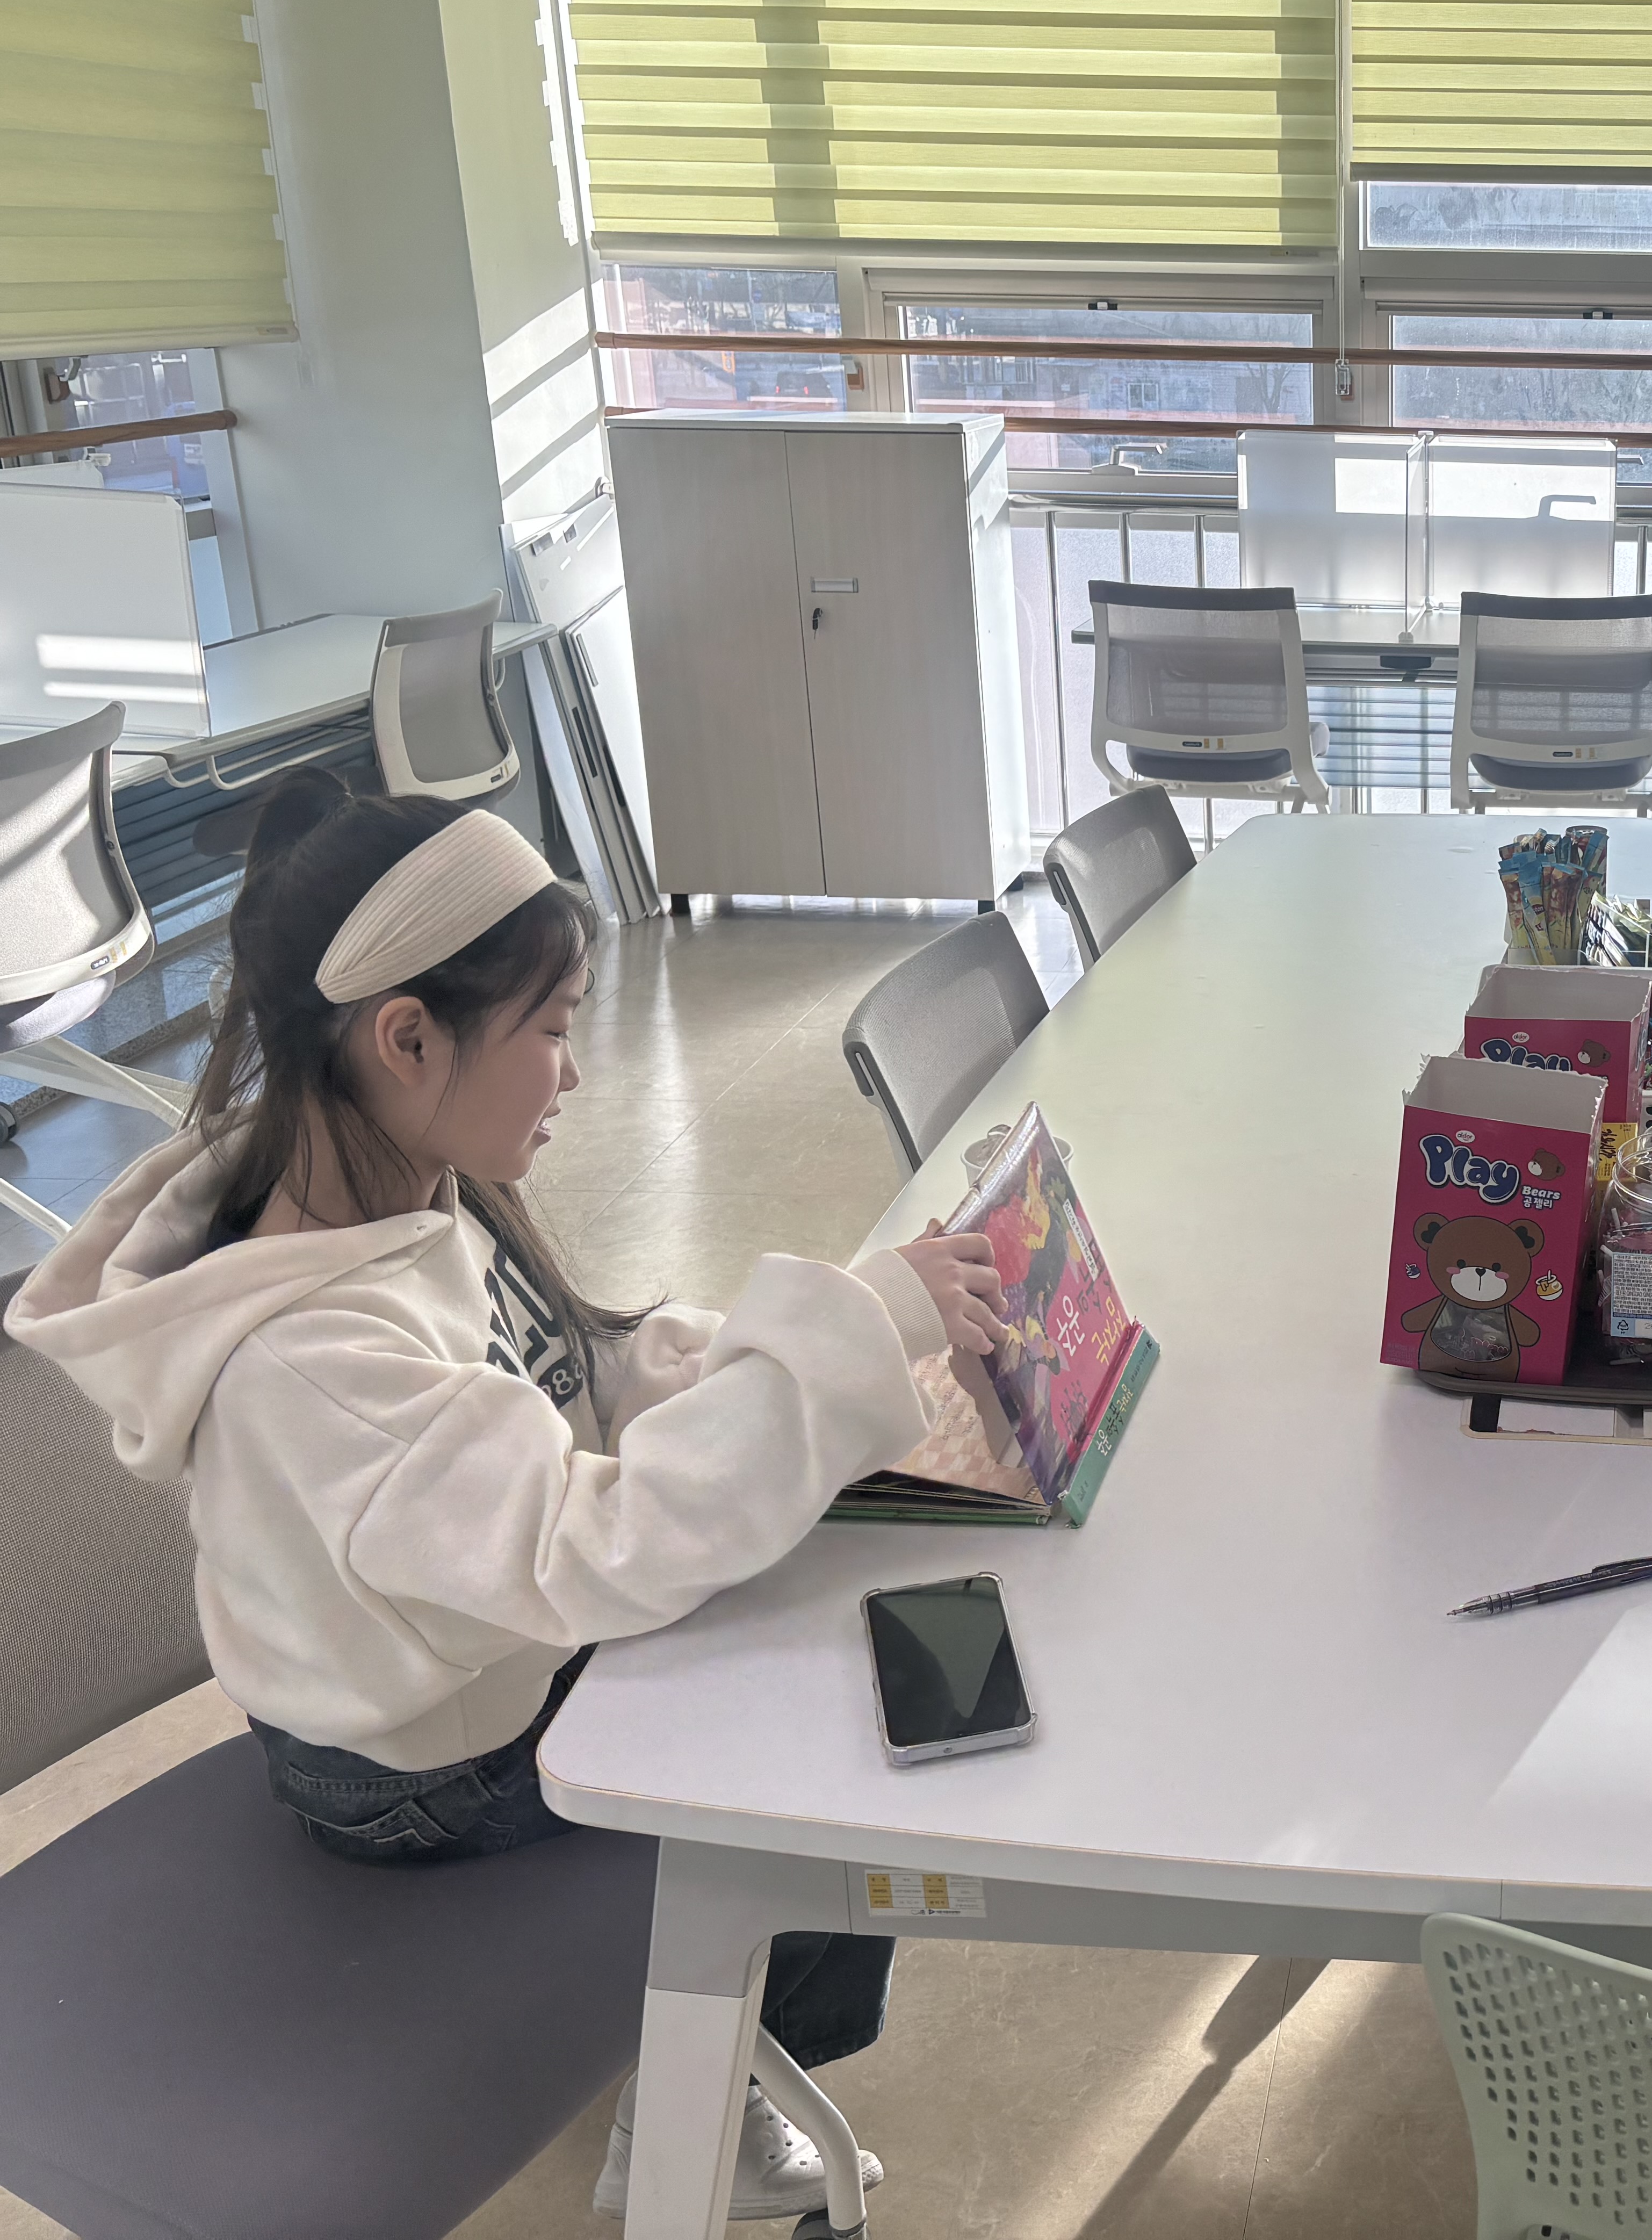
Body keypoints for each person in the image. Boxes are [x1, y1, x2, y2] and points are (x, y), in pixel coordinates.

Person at [4, 776, 1007, 2221]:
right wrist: (835, 1349)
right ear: (407, 1037)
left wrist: (810, 1346)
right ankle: (699, 2106)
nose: (575, 1072)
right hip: (416, 1779)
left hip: (467, 1666)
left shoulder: (391, 1172)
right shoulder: (315, 1355)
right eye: (552, 1027)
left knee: (810, 1578)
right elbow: (591, 1546)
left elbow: (572, 1375)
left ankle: (716, 2057)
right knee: (819, 1732)